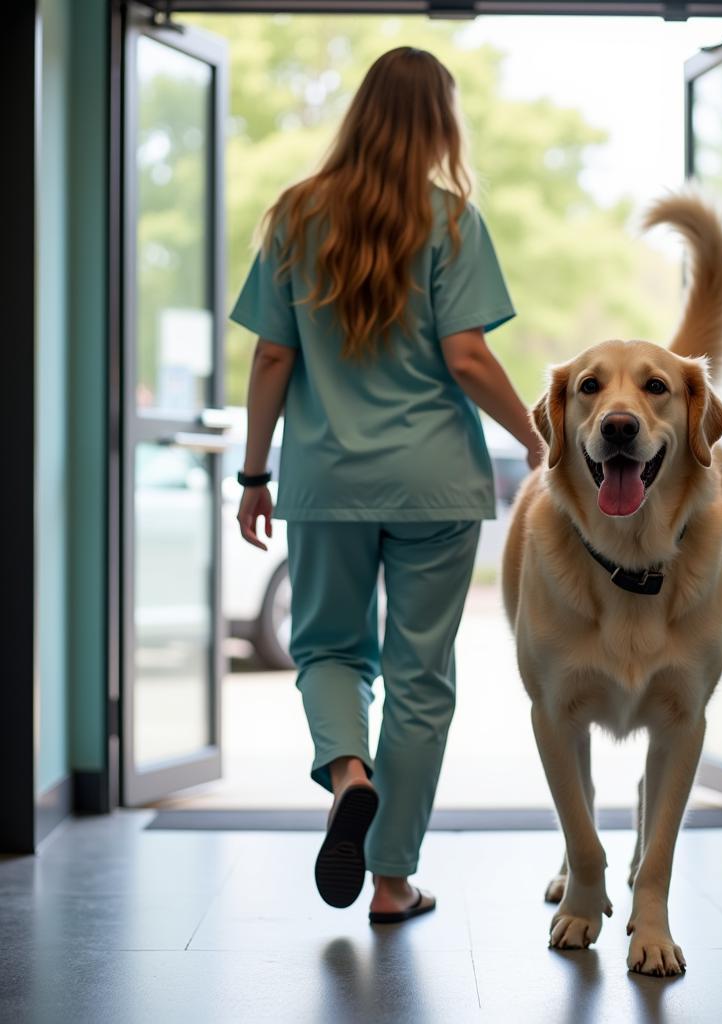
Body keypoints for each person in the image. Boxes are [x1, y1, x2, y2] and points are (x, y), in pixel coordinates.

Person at [230, 47, 540, 923]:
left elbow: (271, 356)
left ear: (360, 112)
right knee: (420, 678)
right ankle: (393, 880)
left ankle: (348, 775)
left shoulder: (294, 217)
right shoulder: (451, 222)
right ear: (441, 122)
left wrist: (255, 473)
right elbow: (469, 357)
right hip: (434, 486)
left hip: (326, 480)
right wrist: (538, 438)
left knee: (329, 649)